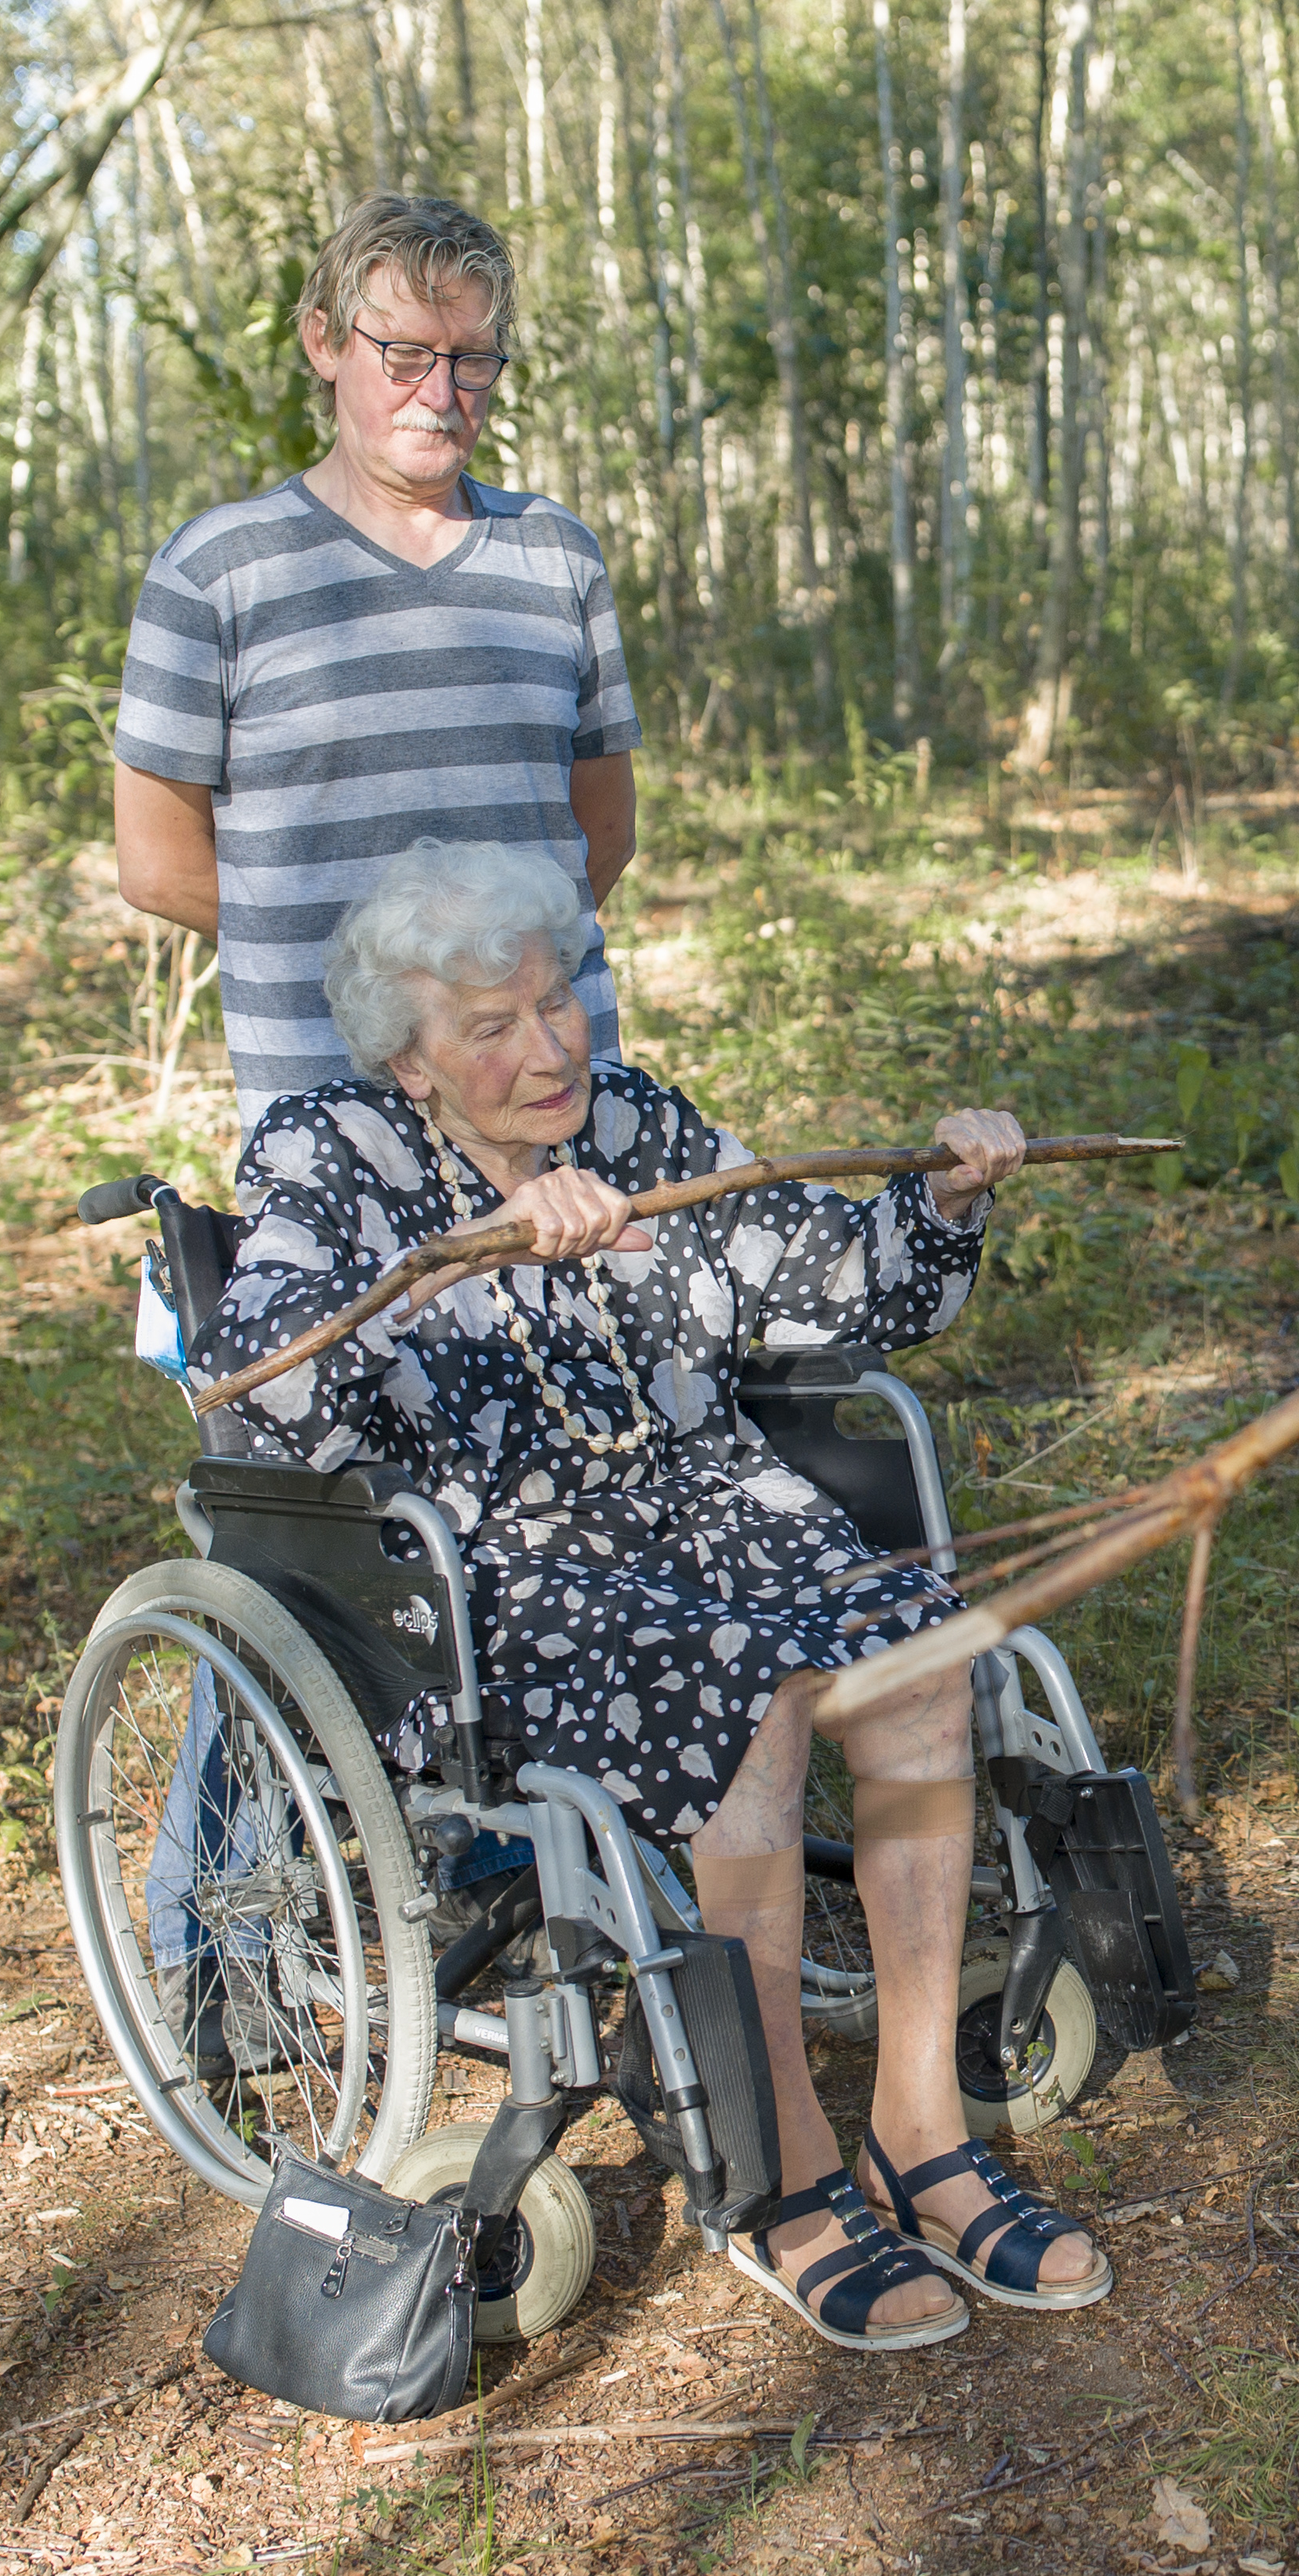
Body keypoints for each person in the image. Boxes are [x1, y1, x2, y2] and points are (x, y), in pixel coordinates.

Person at [190, 838, 1109, 2352]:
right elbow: (271, 1380)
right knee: (746, 1706)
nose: (549, 1052)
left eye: (556, 1006)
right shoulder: (322, 1151)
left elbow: (823, 1281)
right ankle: (785, 2174)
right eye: (492, 1029)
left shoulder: (632, 1119)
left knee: (921, 1661)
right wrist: (448, 1257)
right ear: (411, 1064)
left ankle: (922, 2133)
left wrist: (938, 1203)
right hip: (507, 1564)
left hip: (715, 1508)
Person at [113, 195, 642, 1131]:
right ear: (324, 342)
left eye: (470, 360)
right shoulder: (216, 573)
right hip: (329, 1103)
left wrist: (496, 993)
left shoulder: (557, 554)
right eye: (402, 355)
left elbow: (600, 831)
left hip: (548, 1091)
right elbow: (158, 866)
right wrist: (399, 998)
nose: (438, 395)